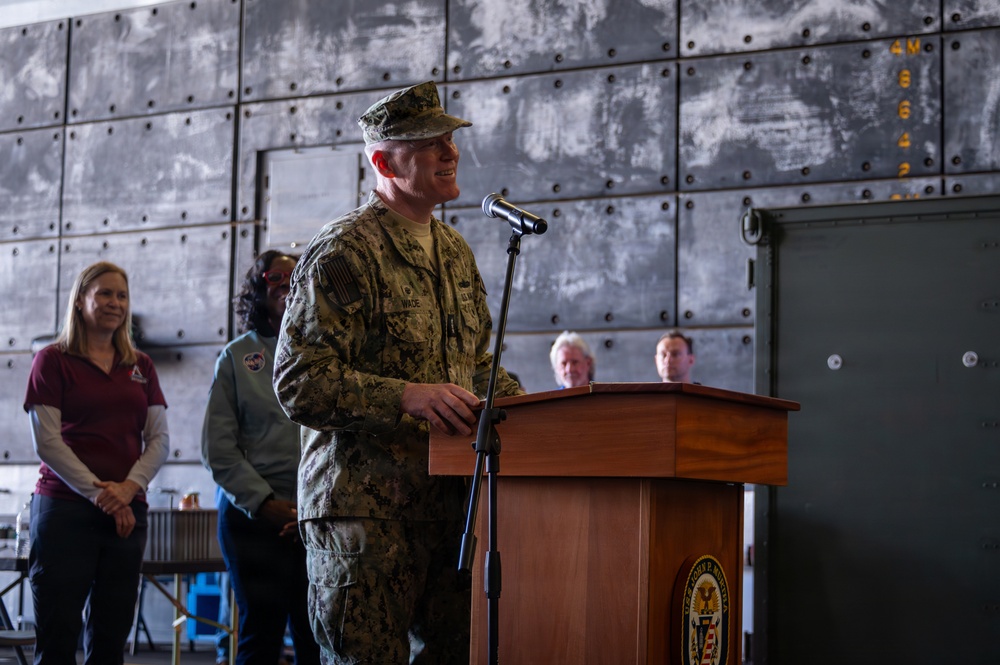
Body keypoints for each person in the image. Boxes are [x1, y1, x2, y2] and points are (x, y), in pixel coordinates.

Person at [273, 80, 522, 664]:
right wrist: (405, 397)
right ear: (384, 161)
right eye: (429, 144)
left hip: (451, 507)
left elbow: (475, 362)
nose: (449, 153)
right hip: (365, 514)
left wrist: (535, 408)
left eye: (450, 141)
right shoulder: (343, 251)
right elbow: (298, 381)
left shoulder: (455, 252)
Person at [22, 261, 169, 663]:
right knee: (57, 640)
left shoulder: (141, 365)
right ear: (80, 301)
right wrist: (100, 493)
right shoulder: (51, 361)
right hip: (65, 509)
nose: (114, 303)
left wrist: (127, 489)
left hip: (125, 513)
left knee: (109, 642)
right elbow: (48, 443)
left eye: (121, 295)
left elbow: (159, 440)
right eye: (104, 293)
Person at [201, 250, 320, 665]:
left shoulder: (326, 354)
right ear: (258, 289)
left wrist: (305, 510)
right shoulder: (237, 357)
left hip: (314, 518)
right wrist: (265, 504)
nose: (286, 283)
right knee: (260, 636)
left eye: (295, 275)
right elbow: (218, 449)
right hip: (252, 518)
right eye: (275, 277)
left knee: (316, 638)